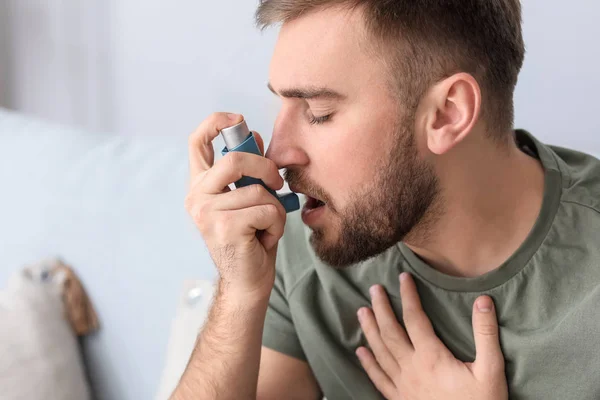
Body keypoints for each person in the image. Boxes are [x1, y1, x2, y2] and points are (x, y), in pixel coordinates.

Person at [174, 1, 600, 399]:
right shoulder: (298, 244)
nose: (278, 153)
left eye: (318, 112)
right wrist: (239, 291)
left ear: (447, 114)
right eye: (280, 104)